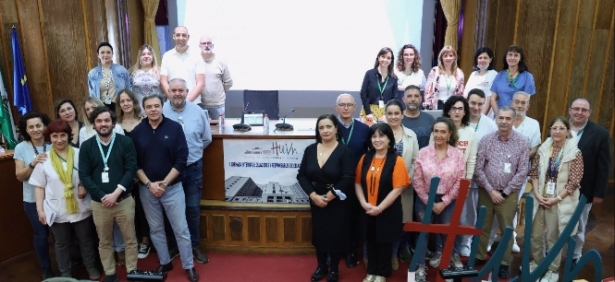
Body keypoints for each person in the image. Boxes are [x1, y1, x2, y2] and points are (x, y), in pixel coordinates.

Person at [131, 94, 199, 282]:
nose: (153, 109)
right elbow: (134, 164)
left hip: (172, 188)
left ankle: (189, 266)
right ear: (144, 109)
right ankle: (165, 261)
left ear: (162, 107)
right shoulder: (138, 131)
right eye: (149, 106)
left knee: (181, 229)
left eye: (156, 106)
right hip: (147, 190)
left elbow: (181, 160)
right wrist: (149, 184)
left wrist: (164, 184)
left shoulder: (175, 128)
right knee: (156, 229)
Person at [29, 119, 100, 280]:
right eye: (55, 136)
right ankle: (65, 274)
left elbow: (89, 175)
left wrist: (83, 185)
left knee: (86, 240)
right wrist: (40, 210)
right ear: (49, 138)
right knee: (61, 244)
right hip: (57, 210)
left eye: (63, 135)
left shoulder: (80, 153)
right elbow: (39, 186)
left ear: (69, 136)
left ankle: (91, 268)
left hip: (81, 206)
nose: (59, 139)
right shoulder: (43, 159)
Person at [79, 107, 138, 282]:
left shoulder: (125, 142)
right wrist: (102, 196)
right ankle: (110, 273)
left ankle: (132, 270)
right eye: (99, 121)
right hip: (99, 203)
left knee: (130, 239)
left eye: (106, 120)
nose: (103, 124)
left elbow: (130, 170)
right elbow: (84, 175)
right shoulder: (87, 146)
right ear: (93, 124)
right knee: (104, 241)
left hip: (124, 200)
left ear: (113, 123)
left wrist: (115, 193)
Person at [297, 114, 355, 282]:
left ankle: (334, 270)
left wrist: (329, 197)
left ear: (336, 128)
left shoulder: (345, 151)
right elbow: (301, 176)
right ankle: (321, 266)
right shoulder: (310, 149)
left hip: (337, 200)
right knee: (319, 234)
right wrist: (314, 196)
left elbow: (348, 178)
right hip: (316, 199)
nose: (325, 130)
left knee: (335, 235)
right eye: (321, 127)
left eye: (328, 126)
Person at [474, 106, 530, 279]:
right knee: (482, 226)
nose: (504, 122)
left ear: (514, 121)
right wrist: (491, 190)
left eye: (508, 119)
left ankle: (505, 263)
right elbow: (478, 168)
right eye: (501, 118)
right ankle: (479, 256)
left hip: (508, 194)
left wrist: (504, 193)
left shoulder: (522, 141)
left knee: (507, 229)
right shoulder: (486, 139)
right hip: (486, 191)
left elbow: (522, 172)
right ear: (496, 119)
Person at [163, 78, 212, 264]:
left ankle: (194, 245)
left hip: (192, 169)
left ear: (186, 91)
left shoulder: (197, 111)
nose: (177, 93)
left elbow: (206, 139)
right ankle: (175, 245)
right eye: (173, 90)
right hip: (168, 172)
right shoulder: (161, 111)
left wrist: (192, 154)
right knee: (171, 209)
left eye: (180, 90)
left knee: (192, 209)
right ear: (168, 91)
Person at [528, 117, 583, 282]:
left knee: (553, 236)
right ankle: (537, 262)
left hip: (559, 200)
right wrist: (537, 193)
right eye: (554, 128)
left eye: (561, 128)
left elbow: (574, 181)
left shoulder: (575, 153)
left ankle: (552, 269)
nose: (557, 132)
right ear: (550, 130)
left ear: (567, 131)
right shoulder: (543, 149)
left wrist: (557, 198)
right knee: (535, 234)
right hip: (540, 195)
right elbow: (534, 173)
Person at [412, 117, 465, 281]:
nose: (439, 135)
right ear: (432, 133)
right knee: (423, 234)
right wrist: (428, 202)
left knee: (447, 234)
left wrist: (445, 201)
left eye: (443, 131)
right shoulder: (423, 152)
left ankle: (446, 267)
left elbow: (460, 181)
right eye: (436, 131)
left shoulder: (457, 155)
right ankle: (421, 267)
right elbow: (417, 179)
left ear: (450, 134)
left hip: (448, 201)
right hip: (424, 199)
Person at [355, 123, 410, 282]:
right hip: (367, 209)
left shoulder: (396, 160)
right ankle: (371, 271)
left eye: (381, 136)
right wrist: (364, 203)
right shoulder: (365, 158)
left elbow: (397, 189)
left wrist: (379, 208)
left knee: (384, 242)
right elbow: (357, 183)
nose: (377, 140)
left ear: (389, 139)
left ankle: (382, 274)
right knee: (370, 240)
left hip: (387, 210)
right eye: (374, 136)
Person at [487, 91, 541, 253]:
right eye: (516, 101)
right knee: (494, 206)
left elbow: (535, 147)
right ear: (511, 102)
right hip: (495, 174)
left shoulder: (533, 124)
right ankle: (489, 239)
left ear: (528, 106)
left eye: (523, 103)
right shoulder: (500, 120)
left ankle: (511, 238)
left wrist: (517, 158)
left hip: (518, 175)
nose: (519, 105)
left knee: (513, 206)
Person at [568, 98, 611, 267]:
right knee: (555, 223)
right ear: (570, 110)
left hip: (584, 189)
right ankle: (552, 252)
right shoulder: (559, 128)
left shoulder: (600, 133)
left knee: (579, 225)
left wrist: (599, 192)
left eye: (584, 110)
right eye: (576, 108)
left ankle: (574, 255)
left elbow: (604, 165)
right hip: (557, 188)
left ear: (589, 113)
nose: (579, 112)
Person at [437, 96, 477, 268]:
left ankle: (454, 254)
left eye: (460, 108)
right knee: (440, 221)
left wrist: (466, 184)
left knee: (458, 221)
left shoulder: (470, 133)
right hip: (440, 186)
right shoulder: (440, 130)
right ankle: (440, 252)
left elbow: (472, 161)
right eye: (453, 108)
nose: (457, 111)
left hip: (460, 185)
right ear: (447, 110)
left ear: (465, 111)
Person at [456, 89, 497, 256]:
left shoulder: (490, 124)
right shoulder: (458, 120)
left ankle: (466, 241)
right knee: (456, 211)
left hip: (477, 176)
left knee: (471, 210)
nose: (476, 107)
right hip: (455, 175)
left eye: (480, 104)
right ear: (467, 102)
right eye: (473, 103)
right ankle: (453, 241)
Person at [14, 112, 54, 279]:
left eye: (38, 125)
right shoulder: (21, 148)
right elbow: (19, 176)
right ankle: (46, 268)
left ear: (45, 126)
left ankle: (69, 261)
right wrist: (33, 163)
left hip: (54, 198)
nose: (35, 129)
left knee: (62, 234)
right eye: (31, 126)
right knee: (41, 234)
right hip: (32, 200)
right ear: (26, 129)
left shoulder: (54, 143)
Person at [334, 93, 370, 268]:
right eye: (342, 105)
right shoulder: (329, 127)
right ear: (336, 108)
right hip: (333, 182)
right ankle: (334, 252)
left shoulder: (364, 129)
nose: (346, 108)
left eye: (349, 105)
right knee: (335, 219)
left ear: (355, 107)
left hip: (356, 183)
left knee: (354, 220)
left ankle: (350, 252)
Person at [382, 100, 419, 271]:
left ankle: (395, 254)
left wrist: (404, 183)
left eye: (397, 113)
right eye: (390, 113)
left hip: (404, 188)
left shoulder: (411, 135)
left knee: (401, 223)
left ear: (402, 115)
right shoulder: (378, 133)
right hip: (382, 189)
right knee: (385, 222)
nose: (393, 117)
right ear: (385, 115)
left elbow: (416, 163)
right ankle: (385, 255)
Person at [115, 89, 151, 259]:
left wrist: (139, 174)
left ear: (134, 102)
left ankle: (145, 241)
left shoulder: (144, 122)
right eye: (122, 101)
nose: (126, 103)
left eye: (129, 100)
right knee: (127, 211)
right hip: (122, 175)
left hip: (142, 173)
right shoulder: (115, 124)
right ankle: (130, 242)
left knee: (143, 209)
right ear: (119, 104)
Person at [160, 26, 205, 104]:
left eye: (184, 35)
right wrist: (173, 100)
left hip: (193, 103)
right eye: (178, 35)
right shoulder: (167, 56)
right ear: (174, 37)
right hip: (172, 104)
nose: (181, 38)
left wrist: (186, 102)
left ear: (188, 37)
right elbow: (163, 82)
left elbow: (200, 83)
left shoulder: (197, 56)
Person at [490, 45, 535, 115]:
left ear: (520, 58)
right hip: (501, 116)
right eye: (510, 55)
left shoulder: (527, 76)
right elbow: (493, 99)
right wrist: (499, 116)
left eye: (516, 55)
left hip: (518, 116)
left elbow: (525, 100)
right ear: (506, 57)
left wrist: (514, 117)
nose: (512, 58)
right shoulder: (499, 75)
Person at [87, 42, 132, 111]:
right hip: (100, 108)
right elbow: (92, 95)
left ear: (112, 54)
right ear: (98, 55)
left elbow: (129, 89)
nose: (105, 55)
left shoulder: (121, 70)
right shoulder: (92, 73)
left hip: (119, 107)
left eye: (108, 52)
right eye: (102, 52)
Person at [360, 47, 398, 121]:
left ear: (391, 61)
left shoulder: (394, 78)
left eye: (388, 58)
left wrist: (387, 114)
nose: (385, 60)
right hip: (369, 111)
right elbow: (363, 93)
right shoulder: (369, 73)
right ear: (378, 58)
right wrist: (368, 112)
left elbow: (394, 98)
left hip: (386, 113)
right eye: (383, 57)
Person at [199, 35, 233, 119]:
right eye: (204, 43)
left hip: (218, 105)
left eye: (209, 43)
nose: (206, 45)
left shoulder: (220, 61)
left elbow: (228, 82)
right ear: (200, 46)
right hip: (200, 105)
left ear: (212, 46)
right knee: (201, 130)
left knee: (220, 130)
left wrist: (219, 92)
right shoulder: (196, 61)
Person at [424, 46, 465, 110]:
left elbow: (460, 93)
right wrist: (427, 104)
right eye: (445, 56)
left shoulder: (459, 73)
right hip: (437, 105)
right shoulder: (435, 71)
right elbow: (428, 90)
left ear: (454, 57)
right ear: (441, 58)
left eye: (451, 55)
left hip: (453, 106)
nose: (448, 58)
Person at [463, 47, 498, 118]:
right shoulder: (473, 74)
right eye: (480, 58)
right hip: (470, 112)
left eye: (485, 58)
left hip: (485, 114)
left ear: (490, 59)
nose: (482, 60)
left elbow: (490, 98)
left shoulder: (494, 74)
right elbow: (465, 95)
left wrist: (482, 117)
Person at [129, 44, 162, 115]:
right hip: (138, 113)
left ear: (153, 56)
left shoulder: (160, 72)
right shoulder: (132, 73)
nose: (146, 56)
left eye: (149, 54)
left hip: (156, 112)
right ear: (139, 57)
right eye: (143, 54)